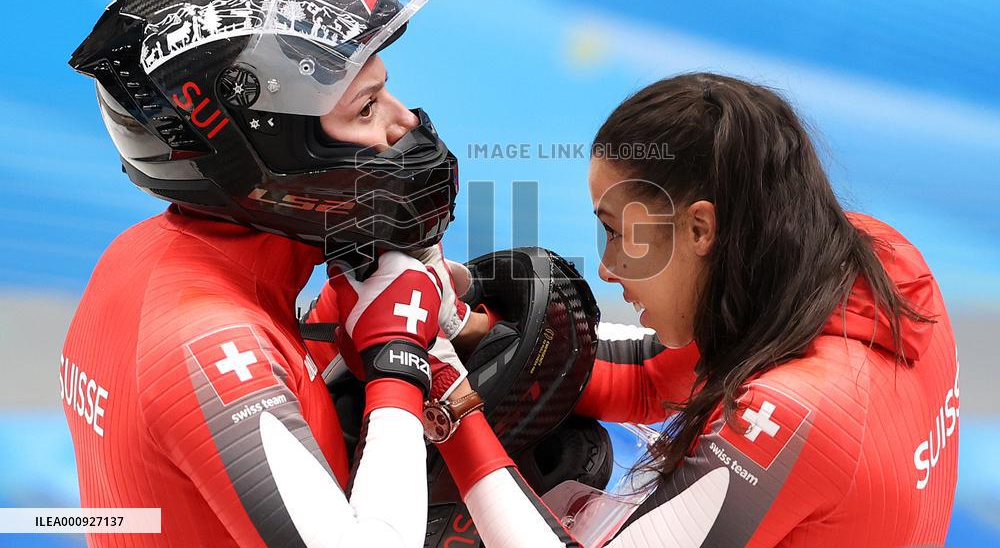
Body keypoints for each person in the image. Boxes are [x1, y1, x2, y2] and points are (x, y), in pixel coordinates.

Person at [327, 73, 959, 546]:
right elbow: (652, 378)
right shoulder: (868, 260)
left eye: (616, 231)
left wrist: (442, 394)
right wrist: (463, 325)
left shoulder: (790, 417)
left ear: (701, 228)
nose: (606, 268)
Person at [61, 0, 488, 547]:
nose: (405, 123)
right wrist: (397, 363)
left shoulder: (148, 256)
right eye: (366, 107)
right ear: (263, 151)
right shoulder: (204, 343)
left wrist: (340, 333)